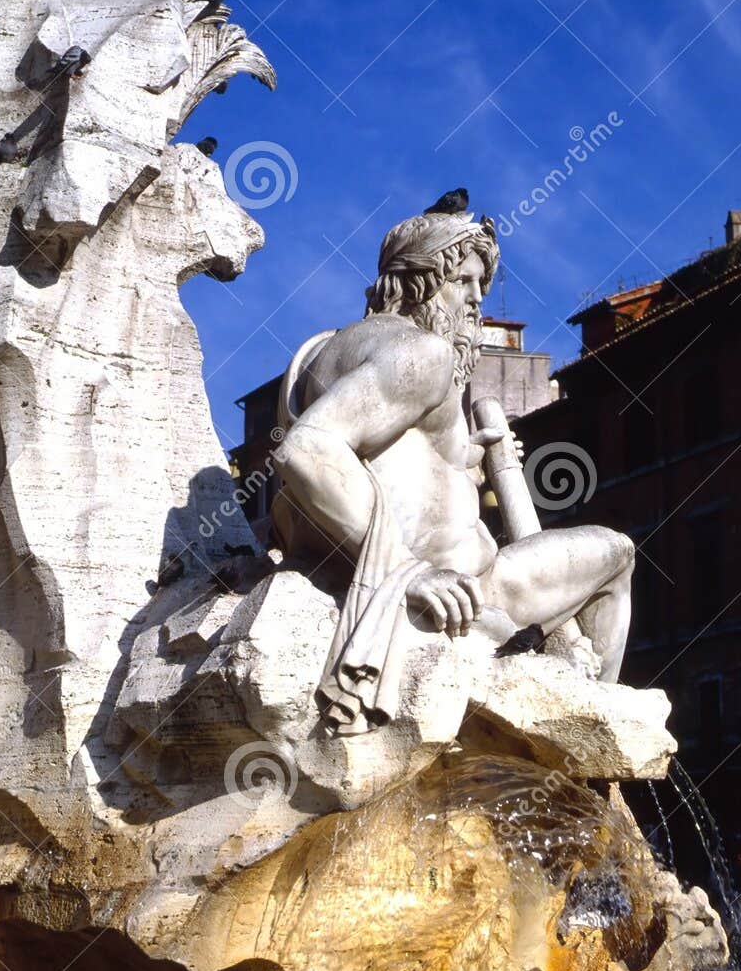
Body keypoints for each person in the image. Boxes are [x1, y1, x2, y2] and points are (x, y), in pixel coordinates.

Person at [271, 199, 635, 733]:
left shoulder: (333, 348)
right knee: (617, 554)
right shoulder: (424, 354)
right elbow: (306, 451)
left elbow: (399, 465)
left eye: (480, 288)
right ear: (417, 280)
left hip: (435, 576)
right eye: (463, 282)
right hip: (469, 592)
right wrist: (406, 571)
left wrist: (471, 456)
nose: (475, 302)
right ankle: (588, 738)